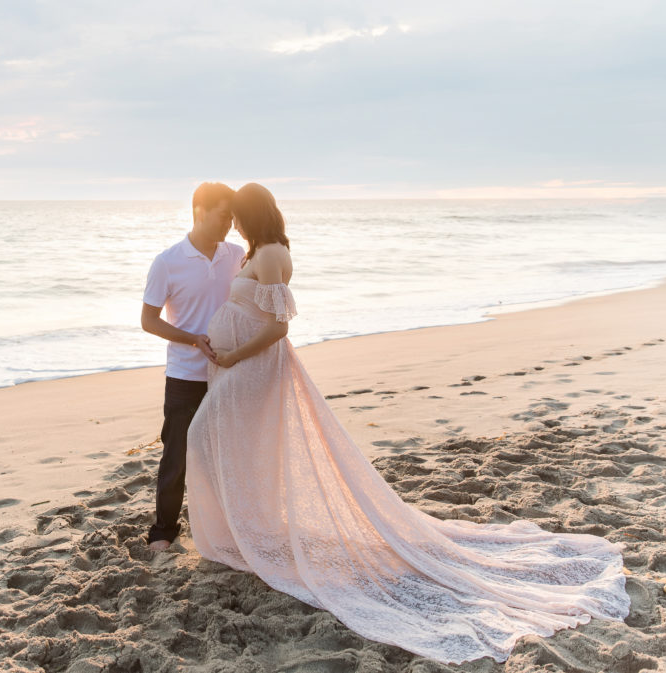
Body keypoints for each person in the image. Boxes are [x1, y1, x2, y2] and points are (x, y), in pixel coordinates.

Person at [184, 183, 630, 664]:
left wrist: (232, 355)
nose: (236, 225)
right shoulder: (261, 250)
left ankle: (245, 530)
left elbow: (278, 327)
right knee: (235, 445)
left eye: (240, 216)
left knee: (201, 435)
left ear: (253, 216)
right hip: (238, 366)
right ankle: (250, 527)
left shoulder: (271, 254)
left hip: (251, 366)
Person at [141, 182, 244, 552]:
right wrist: (193, 339)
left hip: (230, 373)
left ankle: (230, 528)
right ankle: (164, 532)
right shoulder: (167, 261)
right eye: (223, 216)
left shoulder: (237, 255)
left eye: (233, 218)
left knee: (227, 455)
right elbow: (149, 321)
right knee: (177, 457)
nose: (229, 224)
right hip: (185, 375)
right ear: (200, 212)